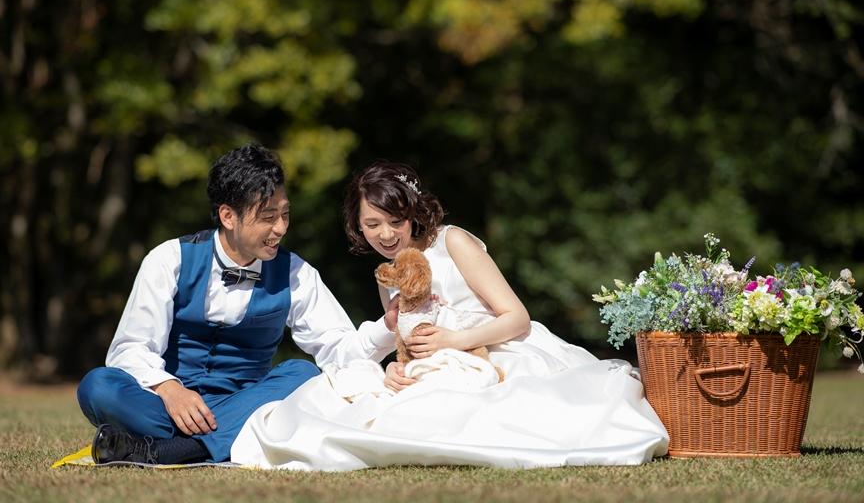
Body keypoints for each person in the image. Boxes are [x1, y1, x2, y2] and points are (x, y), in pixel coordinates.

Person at [229, 161, 669, 470]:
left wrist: (453, 342)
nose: (384, 234)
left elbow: (517, 317)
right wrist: (400, 369)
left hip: (501, 349)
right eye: (372, 223)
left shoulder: (452, 242)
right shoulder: (387, 275)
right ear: (357, 225)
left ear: (412, 214)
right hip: (440, 364)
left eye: (394, 221)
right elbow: (407, 339)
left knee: (509, 415)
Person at [76, 144, 395, 465]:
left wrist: (389, 327)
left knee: (302, 374)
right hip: (166, 405)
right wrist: (170, 389)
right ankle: (223, 439)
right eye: (268, 217)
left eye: (285, 214)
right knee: (99, 386)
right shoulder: (168, 259)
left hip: (248, 401)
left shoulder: (297, 273)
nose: (281, 228)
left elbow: (339, 347)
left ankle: (170, 450)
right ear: (228, 216)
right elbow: (130, 348)